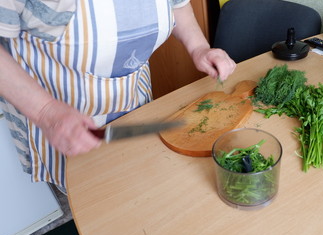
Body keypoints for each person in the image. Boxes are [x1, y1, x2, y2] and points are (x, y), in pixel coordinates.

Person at [0, 0, 236, 193]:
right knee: (94, 203)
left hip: (134, 100)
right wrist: (45, 111)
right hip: (61, 119)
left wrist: (199, 47)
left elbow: (177, 4)